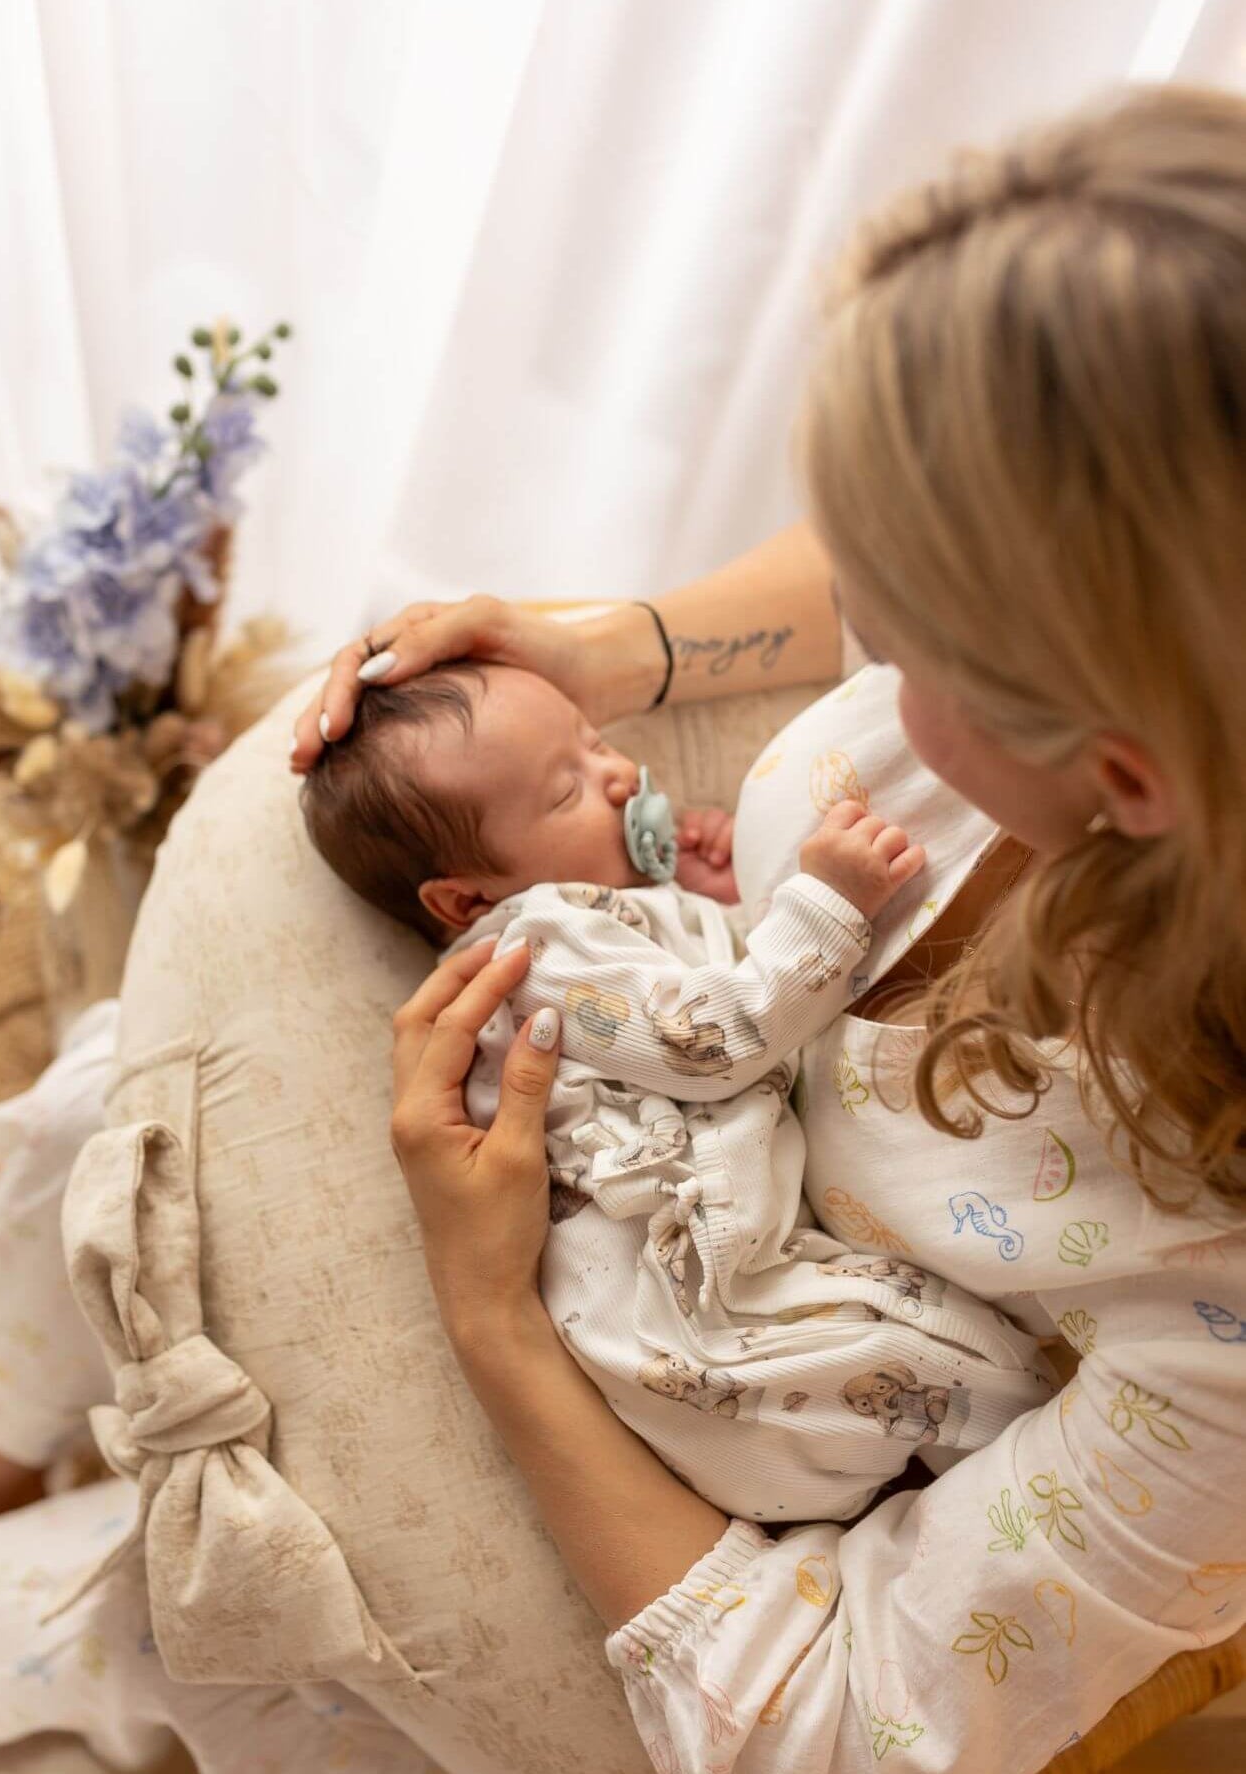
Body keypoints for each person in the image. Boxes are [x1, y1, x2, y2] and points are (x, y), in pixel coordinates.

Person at [292, 82, 1246, 1770]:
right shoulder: (1118, 655)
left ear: (1117, 764)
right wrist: (610, 656)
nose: (842, 622)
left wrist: (490, 1312)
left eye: (896, 617)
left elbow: (832, 1720)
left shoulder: (1210, 1309)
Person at [300, 660, 1055, 1523]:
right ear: (468, 895)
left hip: (747, 1285)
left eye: (595, 744)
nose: (618, 774)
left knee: (956, 1379)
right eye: (564, 790)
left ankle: (917, 1494)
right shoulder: (531, 947)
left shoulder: (612, 921)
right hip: (697, 1323)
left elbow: (708, 1009)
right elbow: (707, 1041)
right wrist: (824, 903)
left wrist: (717, 906)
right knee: (988, 1381)